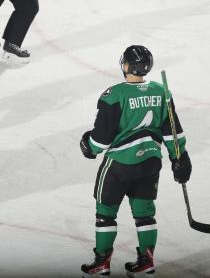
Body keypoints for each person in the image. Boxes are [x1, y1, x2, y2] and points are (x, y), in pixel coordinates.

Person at [79, 45, 192, 277]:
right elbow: (173, 132)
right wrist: (179, 158)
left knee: (105, 212)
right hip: (150, 162)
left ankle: (101, 262)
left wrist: (87, 147)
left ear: (127, 66)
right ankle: (146, 262)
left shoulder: (115, 95)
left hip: (119, 165)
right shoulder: (162, 92)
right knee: (145, 213)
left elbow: (100, 140)